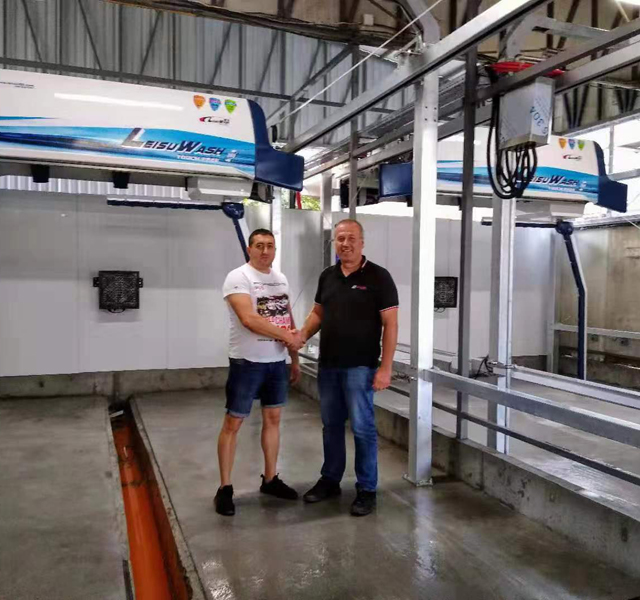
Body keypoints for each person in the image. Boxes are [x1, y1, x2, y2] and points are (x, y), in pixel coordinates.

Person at [299, 219, 399, 516]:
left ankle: (367, 489)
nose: (345, 243)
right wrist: (301, 335)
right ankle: (330, 480)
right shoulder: (328, 276)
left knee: (362, 428)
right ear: (335, 243)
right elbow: (318, 313)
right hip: (329, 365)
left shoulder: (379, 277)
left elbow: (391, 324)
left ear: (362, 242)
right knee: (331, 426)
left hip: (361, 367)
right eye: (340, 238)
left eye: (351, 238)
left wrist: (386, 367)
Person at [215, 228, 303, 516]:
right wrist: (287, 337)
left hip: (276, 362)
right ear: (249, 249)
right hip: (247, 362)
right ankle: (225, 488)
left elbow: (286, 317)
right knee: (233, 423)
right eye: (260, 245)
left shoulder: (281, 279)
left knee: (273, 419)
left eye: (270, 246)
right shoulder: (238, 277)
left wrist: (293, 357)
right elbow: (249, 318)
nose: (265, 251)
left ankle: (270, 479)